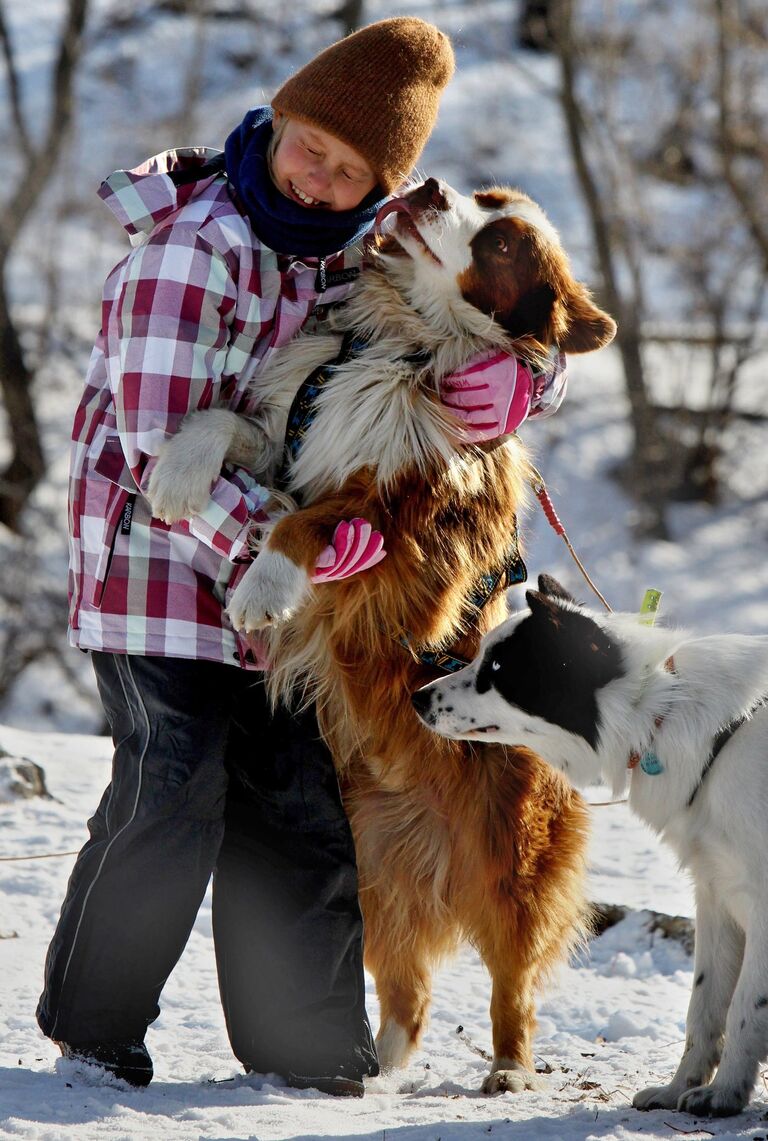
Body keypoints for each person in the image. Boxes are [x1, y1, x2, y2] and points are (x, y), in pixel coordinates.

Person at [37, 17, 567, 1098]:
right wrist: (296, 557)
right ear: (279, 119)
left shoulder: (358, 247)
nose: (321, 179)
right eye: (310, 147)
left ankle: (304, 1043)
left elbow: (502, 308)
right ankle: (93, 1032)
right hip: (155, 568)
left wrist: (524, 386)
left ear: (383, 186)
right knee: (171, 792)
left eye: (352, 172)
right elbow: (155, 451)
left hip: (277, 585)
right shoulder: (195, 254)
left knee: (296, 803)